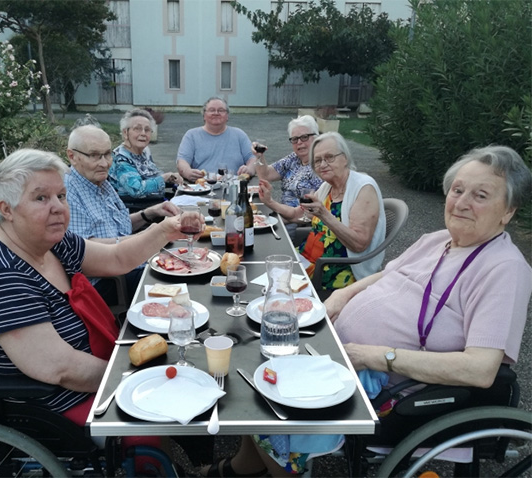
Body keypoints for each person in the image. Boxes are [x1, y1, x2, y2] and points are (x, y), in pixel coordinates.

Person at [200, 145, 532, 477]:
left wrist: (373, 356)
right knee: (252, 358)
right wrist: (340, 297)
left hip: (389, 388)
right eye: (458, 190)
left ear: (508, 212)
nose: (461, 202)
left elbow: (480, 369)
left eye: (480, 195)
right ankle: (240, 468)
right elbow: (387, 274)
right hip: (341, 352)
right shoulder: (439, 239)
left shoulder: (504, 269)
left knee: (269, 404)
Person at [0, 149, 198, 427]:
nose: (58, 207)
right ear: (6, 209)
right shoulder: (3, 275)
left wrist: (164, 231)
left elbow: (116, 258)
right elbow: (61, 368)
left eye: (61, 195)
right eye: (40, 198)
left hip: (81, 372)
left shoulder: (49, 241)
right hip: (44, 403)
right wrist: (132, 378)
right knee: (163, 407)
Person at [65, 125, 181, 302]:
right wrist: (148, 236)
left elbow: (116, 225)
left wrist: (149, 213)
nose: (104, 163)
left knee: (188, 259)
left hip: (130, 261)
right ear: (72, 156)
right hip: (106, 281)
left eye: (107, 154)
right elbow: (84, 249)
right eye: (95, 155)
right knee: (179, 280)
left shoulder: (101, 182)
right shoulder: (68, 193)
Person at [259, 131, 386, 291]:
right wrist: (269, 201)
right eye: (317, 161)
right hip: (306, 260)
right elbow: (298, 215)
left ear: (345, 158)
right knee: (264, 269)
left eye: (329, 157)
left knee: (272, 287)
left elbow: (359, 244)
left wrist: (324, 214)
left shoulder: (363, 188)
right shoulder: (328, 187)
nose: (323, 164)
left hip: (335, 271)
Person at [254, 115, 323, 238]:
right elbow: (266, 175)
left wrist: (273, 217)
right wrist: (259, 156)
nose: (299, 142)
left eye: (304, 137)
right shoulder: (294, 159)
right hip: (281, 215)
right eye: (295, 139)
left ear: (316, 138)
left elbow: (308, 214)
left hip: (298, 226)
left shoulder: (321, 166)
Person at [176, 96, 257, 182]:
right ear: (204, 115)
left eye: (221, 110)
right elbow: (182, 161)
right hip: (202, 187)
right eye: (211, 110)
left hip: (233, 187)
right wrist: (188, 172)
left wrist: (249, 169)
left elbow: (253, 158)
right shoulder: (191, 135)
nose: (216, 113)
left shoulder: (239, 135)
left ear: (227, 116)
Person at [109, 108, 182, 200]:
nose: (143, 133)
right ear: (125, 133)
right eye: (137, 129)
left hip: (157, 202)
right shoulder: (120, 157)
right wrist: (164, 178)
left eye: (147, 130)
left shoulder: (144, 151)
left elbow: (152, 176)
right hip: (137, 209)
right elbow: (136, 189)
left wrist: (171, 178)